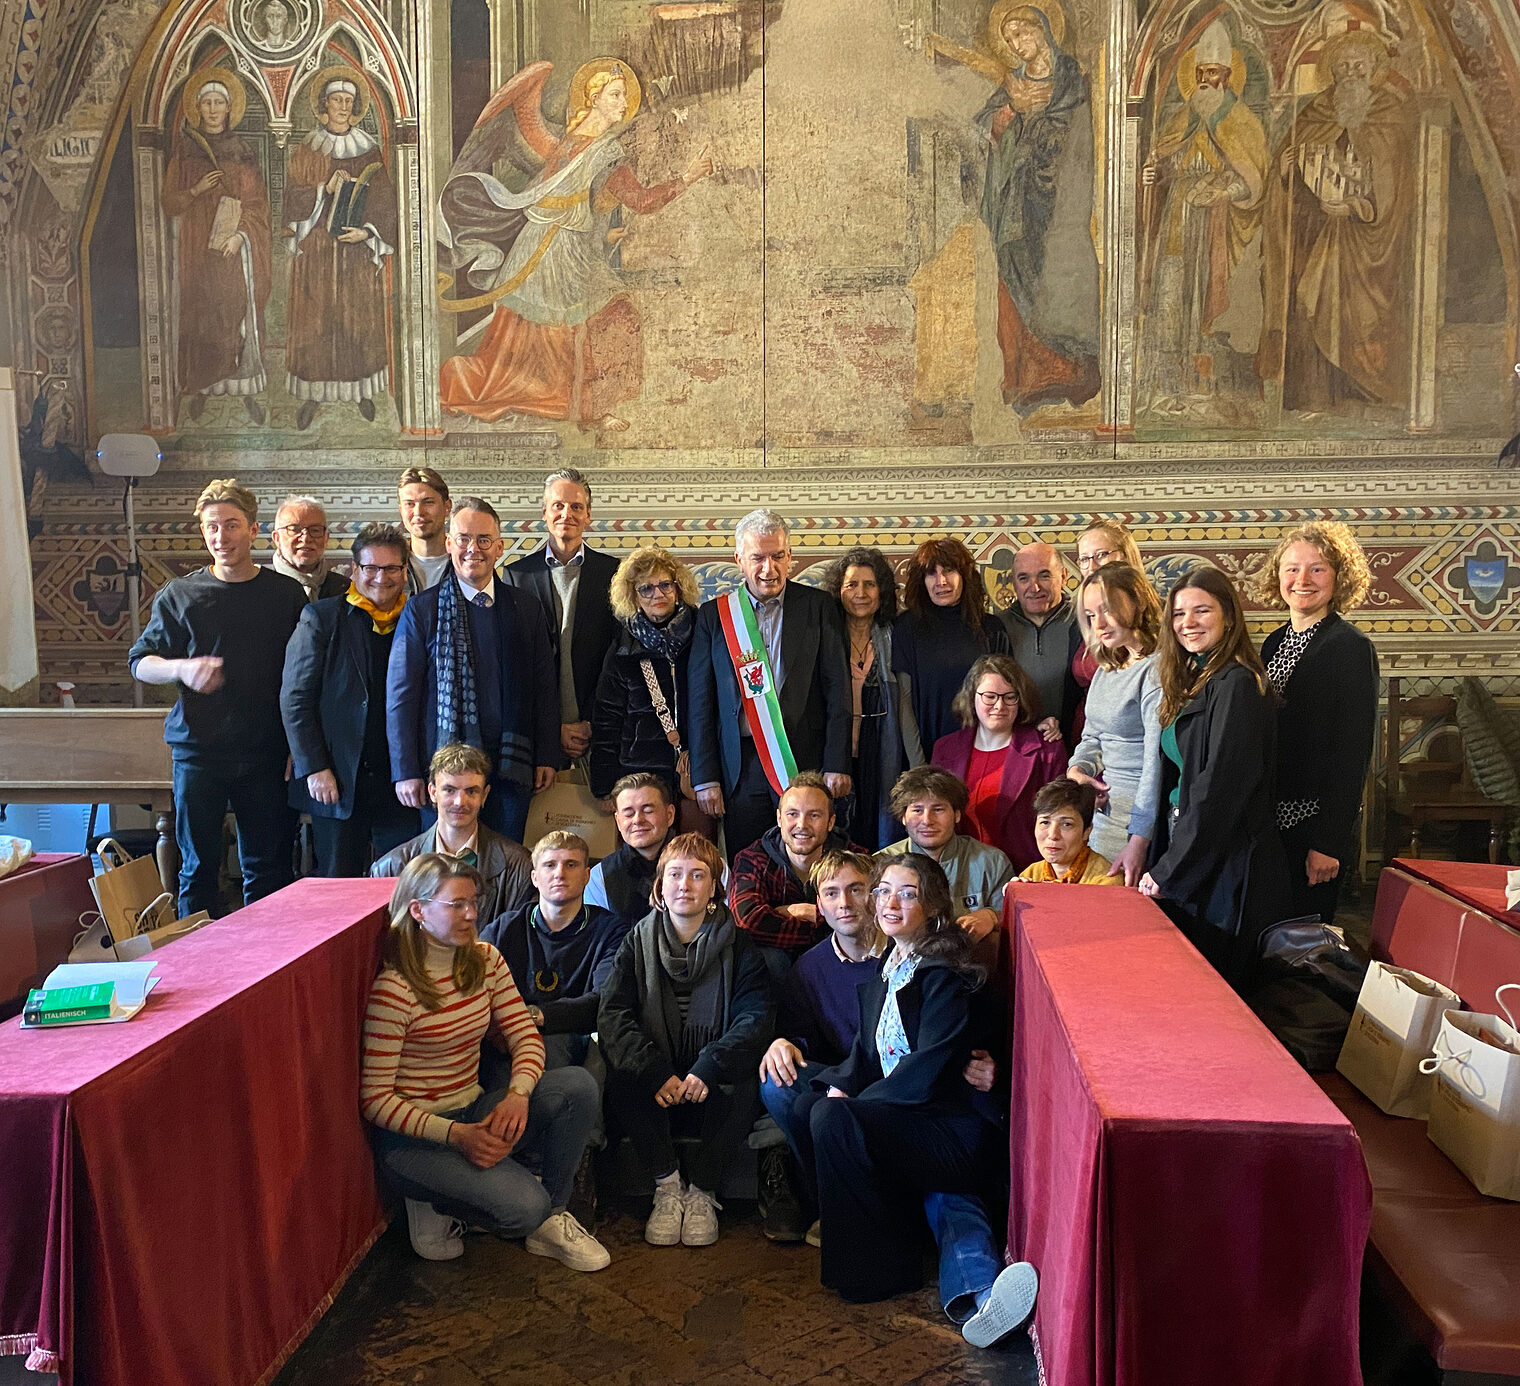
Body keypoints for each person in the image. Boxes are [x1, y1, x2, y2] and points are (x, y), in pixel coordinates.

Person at [776, 852, 1038, 1341]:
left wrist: (853, 1105)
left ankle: (886, 1275)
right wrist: (838, 1086)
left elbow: (928, 1068)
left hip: (950, 1126)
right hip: (908, 1117)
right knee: (812, 1104)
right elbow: (866, 1051)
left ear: (932, 906)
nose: (889, 903)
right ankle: (919, 1266)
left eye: (907, 894)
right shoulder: (891, 966)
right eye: (883, 891)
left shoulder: (944, 972)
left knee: (836, 1120)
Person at [360, 854, 609, 1270]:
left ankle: (552, 1215)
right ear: (418, 910)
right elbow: (375, 1100)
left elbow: (525, 1035)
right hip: (415, 1140)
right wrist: (457, 1135)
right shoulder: (395, 989)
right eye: (456, 904)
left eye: (473, 901)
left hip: (472, 1108)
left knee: (577, 1086)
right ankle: (435, 1200)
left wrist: (518, 1094)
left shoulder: (486, 959)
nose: (472, 914)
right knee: (524, 1208)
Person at [437, 60, 712, 432]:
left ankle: (589, 406)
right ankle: (584, 407)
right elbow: (642, 201)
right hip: (554, 250)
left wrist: (602, 235)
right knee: (598, 321)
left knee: (568, 327)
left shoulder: (570, 142)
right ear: (594, 98)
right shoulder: (601, 152)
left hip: (549, 243)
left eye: (625, 96)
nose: (623, 104)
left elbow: (583, 202)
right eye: (615, 95)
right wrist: (688, 177)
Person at [129, 479, 306, 917]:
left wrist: (298, 745)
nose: (220, 536)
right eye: (211, 526)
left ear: (253, 529)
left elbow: (304, 676)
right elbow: (140, 662)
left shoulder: (286, 595)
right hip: (198, 752)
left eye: (231, 525)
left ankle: (265, 956)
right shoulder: (181, 594)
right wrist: (180, 668)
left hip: (266, 752)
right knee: (197, 871)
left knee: (267, 871)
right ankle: (197, 956)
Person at [598, 833, 772, 1247]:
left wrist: (709, 1066)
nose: (685, 885)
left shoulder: (739, 944)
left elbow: (754, 1017)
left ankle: (702, 1191)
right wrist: (653, 1069)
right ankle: (667, 1185)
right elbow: (613, 1015)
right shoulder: (636, 941)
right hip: (658, 1080)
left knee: (747, 1078)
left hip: (711, 1078)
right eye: (675, 874)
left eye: (698, 875)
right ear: (660, 885)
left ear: (714, 888)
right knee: (624, 1073)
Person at [1140, 567, 1291, 987]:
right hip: (1193, 842)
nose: (1187, 623)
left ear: (1228, 615)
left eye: (1201, 610)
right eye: (1178, 613)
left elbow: (1219, 790)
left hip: (1226, 858)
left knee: (1217, 984)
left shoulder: (1237, 683)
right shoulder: (1195, 676)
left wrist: (1170, 869)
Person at [1257, 28, 1415, 413]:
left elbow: (1396, 183)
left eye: (1359, 65)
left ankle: (1361, 395)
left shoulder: (1388, 113)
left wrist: (1357, 208)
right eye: (1342, 66)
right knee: (1305, 308)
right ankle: (1313, 397)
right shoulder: (1315, 111)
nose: (1351, 73)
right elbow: (1289, 183)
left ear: (1373, 68)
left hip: (1365, 240)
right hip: (1314, 231)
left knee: (1356, 317)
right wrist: (1284, 171)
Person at [386, 496, 558, 842]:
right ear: (449, 544)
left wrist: (547, 756)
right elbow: (401, 696)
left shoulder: (526, 608)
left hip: (511, 766)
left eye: (483, 540)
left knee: (507, 861)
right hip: (444, 771)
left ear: (499, 547)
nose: (472, 549)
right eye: (463, 539)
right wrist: (405, 770)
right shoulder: (422, 610)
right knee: (446, 866)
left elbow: (544, 686)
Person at [689, 510, 852, 856]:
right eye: (758, 558)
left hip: (804, 760)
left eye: (778, 556)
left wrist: (837, 762)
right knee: (747, 859)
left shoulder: (818, 607)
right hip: (740, 766)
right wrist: (705, 777)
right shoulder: (714, 616)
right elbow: (700, 702)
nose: (769, 568)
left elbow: (838, 690)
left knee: (808, 858)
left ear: (790, 556)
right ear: (739, 560)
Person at [1137, 18, 1268, 417]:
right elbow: (1164, 163)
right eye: (1200, 74)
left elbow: (1256, 180)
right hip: (1177, 220)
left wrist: (1224, 192)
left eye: (1213, 73)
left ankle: (1207, 388)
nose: (1206, 81)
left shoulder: (1243, 122)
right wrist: (1152, 174)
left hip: (1216, 224)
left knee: (1205, 302)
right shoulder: (1183, 118)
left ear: (1227, 77)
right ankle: (1167, 386)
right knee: (1170, 296)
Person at [1250, 521, 1379, 922]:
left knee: (1303, 941)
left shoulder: (1351, 647)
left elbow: (1352, 753)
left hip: (1313, 826)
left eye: (1317, 569)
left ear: (1339, 578)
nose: (1302, 580)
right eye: (1292, 568)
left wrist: (1328, 842)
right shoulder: (1273, 643)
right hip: (1270, 822)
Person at [976, 2, 1100, 413]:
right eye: (1009, 39)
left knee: (1058, 274)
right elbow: (984, 129)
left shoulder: (1070, 78)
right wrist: (1012, 109)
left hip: (1060, 199)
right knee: (1011, 270)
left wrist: (1043, 118)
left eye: (1021, 33)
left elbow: (1079, 130)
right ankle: (1022, 377)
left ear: (1043, 29)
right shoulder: (1013, 83)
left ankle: (1065, 369)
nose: (1016, 44)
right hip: (1015, 201)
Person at [280, 521, 419, 875]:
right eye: (371, 567)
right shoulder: (321, 618)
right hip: (338, 779)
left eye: (391, 568)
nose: (381, 577)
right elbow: (295, 699)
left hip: (399, 782)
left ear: (405, 572)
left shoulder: (418, 618)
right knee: (337, 885)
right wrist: (314, 767)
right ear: (354, 570)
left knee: (403, 883)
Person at [283, 73, 397, 431]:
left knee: (356, 319)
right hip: (318, 250)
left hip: (355, 253)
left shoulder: (368, 149)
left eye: (348, 101)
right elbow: (292, 197)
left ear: (355, 107)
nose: (343, 107)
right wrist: (323, 189)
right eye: (337, 100)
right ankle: (314, 394)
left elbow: (385, 202)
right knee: (317, 320)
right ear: (324, 105)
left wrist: (367, 232)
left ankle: (359, 391)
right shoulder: (309, 148)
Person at [160, 72, 270, 425]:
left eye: (218, 102)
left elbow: (257, 202)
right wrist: (196, 191)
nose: (212, 109)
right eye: (206, 103)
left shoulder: (242, 151)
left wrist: (240, 236)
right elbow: (169, 201)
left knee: (233, 308)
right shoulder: (186, 149)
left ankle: (243, 388)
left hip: (231, 245)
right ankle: (202, 387)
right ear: (198, 107)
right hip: (196, 244)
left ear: (228, 108)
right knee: (200, 311)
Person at [479, 831, 627, 1068]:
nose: (559, 873)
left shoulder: (611, 931)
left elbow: (603, 1001)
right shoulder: (504, 929)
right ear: (535, 877)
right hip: (504, 1040)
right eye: (549, 865)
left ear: (586, 876)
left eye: (571, 864)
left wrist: (531, 1015)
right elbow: (473, 988)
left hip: (575, 1045)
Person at [503, 469, 622, 763]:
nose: (566, 513)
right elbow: (516, 665)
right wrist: (551, 726)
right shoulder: (517, 576)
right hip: (538, 737)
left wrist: (591, 722)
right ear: (544, 512)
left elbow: (618, 655)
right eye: (558, 505)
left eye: (576, 506)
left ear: (588, 515)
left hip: (600, 732)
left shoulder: (614, 574)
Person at [1066, 562, 1164, 884]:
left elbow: (1154, 762)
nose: (1099, 624)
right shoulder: (1109, 666)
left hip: (1139, 822)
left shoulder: (1157, 669)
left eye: (1107, 610)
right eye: (1090, 615)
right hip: (1103, 815)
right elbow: (1092, 735)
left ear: (1137, 602)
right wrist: (1078, 769)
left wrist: (1139, 837)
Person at [820, 546, 922, 851]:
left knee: (877, 838)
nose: (860, 593)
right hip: (832, 754)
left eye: (870, 584)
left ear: (882, 591)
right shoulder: (824, 637)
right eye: (851, 584)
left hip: (882, 754)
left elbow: (905, 704)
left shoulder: (896, 636)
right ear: (838, 591)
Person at [371, 743, 534, 926]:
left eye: (471, 791)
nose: (459, 802)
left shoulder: (518, 865)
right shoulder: (390, 869)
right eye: (449, 790)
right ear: (433, 792)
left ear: (484, 796)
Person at [931, 655, 1068, 872]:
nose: (999, 705)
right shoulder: (945, 749)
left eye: (1010, 697)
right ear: (972, 697)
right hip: (958, 873)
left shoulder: (1047, 749)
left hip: (1024, 872)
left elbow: (1061, 816)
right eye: (990, 696)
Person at [590, 544, 700, 806]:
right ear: (634, 595)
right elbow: (607, 720)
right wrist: (604, 787)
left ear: (678, 588)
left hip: (697, 771)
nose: (657, 594)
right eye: (646, 588)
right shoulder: (623, 648)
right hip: (639, 775)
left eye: (665, 585)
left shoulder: (702, 634)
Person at [728, 772, 860, 977]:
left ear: (831, 821)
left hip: (838, 961)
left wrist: (802, 912)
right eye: (792, 814)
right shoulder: (752, 859)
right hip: (778, 968)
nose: (802, 825)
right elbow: (748, 921)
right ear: (779, 818)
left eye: (814, 815)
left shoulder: (856, 859)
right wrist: (826, 921)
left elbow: (868, 917)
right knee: (768, 958)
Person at [892, 538, 1009, 753]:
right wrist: (919, 764)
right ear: (921, 581)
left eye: (948, 570)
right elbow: (904, 704)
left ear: (964, 575)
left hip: (983, 753)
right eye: (931, 573)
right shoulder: (906, 628)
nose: (941, 581)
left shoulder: (992, 628)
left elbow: (1005, 700)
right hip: (926, 754)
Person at [884, 767, 1014, 948]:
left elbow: (1014, 920)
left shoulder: (992, 862)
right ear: (903, 817)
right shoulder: (882, 863)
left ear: (957, 815)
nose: (927, 820)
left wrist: (992, 916)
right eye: (917, 810)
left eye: (938, 809)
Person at [1069, 519, 1145, 741]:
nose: (1092, 566)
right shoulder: (1079, 617)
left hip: (1130, 738)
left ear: (1125, 556)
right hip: (1089, 734)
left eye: (1101, 555)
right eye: (1084, 559)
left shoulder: (1150, 614)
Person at [999, 542, 1082, 743]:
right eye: (1023, 578)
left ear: (1063, 576)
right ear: (1013, 583)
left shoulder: (1085, 621)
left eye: (1044, 576)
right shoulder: (996, 628)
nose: (1034, 587)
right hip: (1017, 747)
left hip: (1079, 745)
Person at [585, 772, 678, 928]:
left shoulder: (706, 865)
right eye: (628, 813)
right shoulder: (599, 878)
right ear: (617, 821)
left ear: (669, 815)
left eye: (648, 810)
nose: (637, 820)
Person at [1018, 779, 1125, 885]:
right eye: (1045, 822)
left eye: (1066, 824)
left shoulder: (1107, 882)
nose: (1053, 835)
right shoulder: (1030, 875)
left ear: (1087, 831)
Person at [269, 494, 348, 601]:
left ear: (326, 539)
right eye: (295, 529)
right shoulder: (261, 588)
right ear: (277, 538)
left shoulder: (345, 590)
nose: (306, 538)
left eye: (315, 530)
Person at [396, 467, 451, 592]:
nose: (418, 512)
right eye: (409, 504)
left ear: (447, 507)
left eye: (428, 502)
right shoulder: (390, 565)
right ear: (401, 510)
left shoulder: (466, 563)